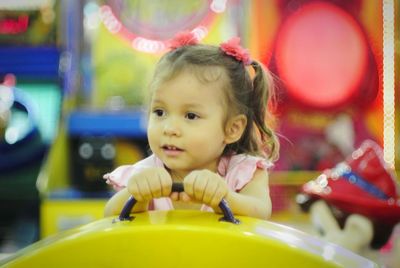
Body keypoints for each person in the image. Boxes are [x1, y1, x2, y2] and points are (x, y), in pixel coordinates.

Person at [103, 31, 279, 220]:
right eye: (160, 112)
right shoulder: (144, 173)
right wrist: (138, 195)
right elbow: (109, 215)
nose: (169, 129)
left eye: (191, 116)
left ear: (232, 129)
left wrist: (226, 197)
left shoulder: (244, 172)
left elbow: (261, 212)